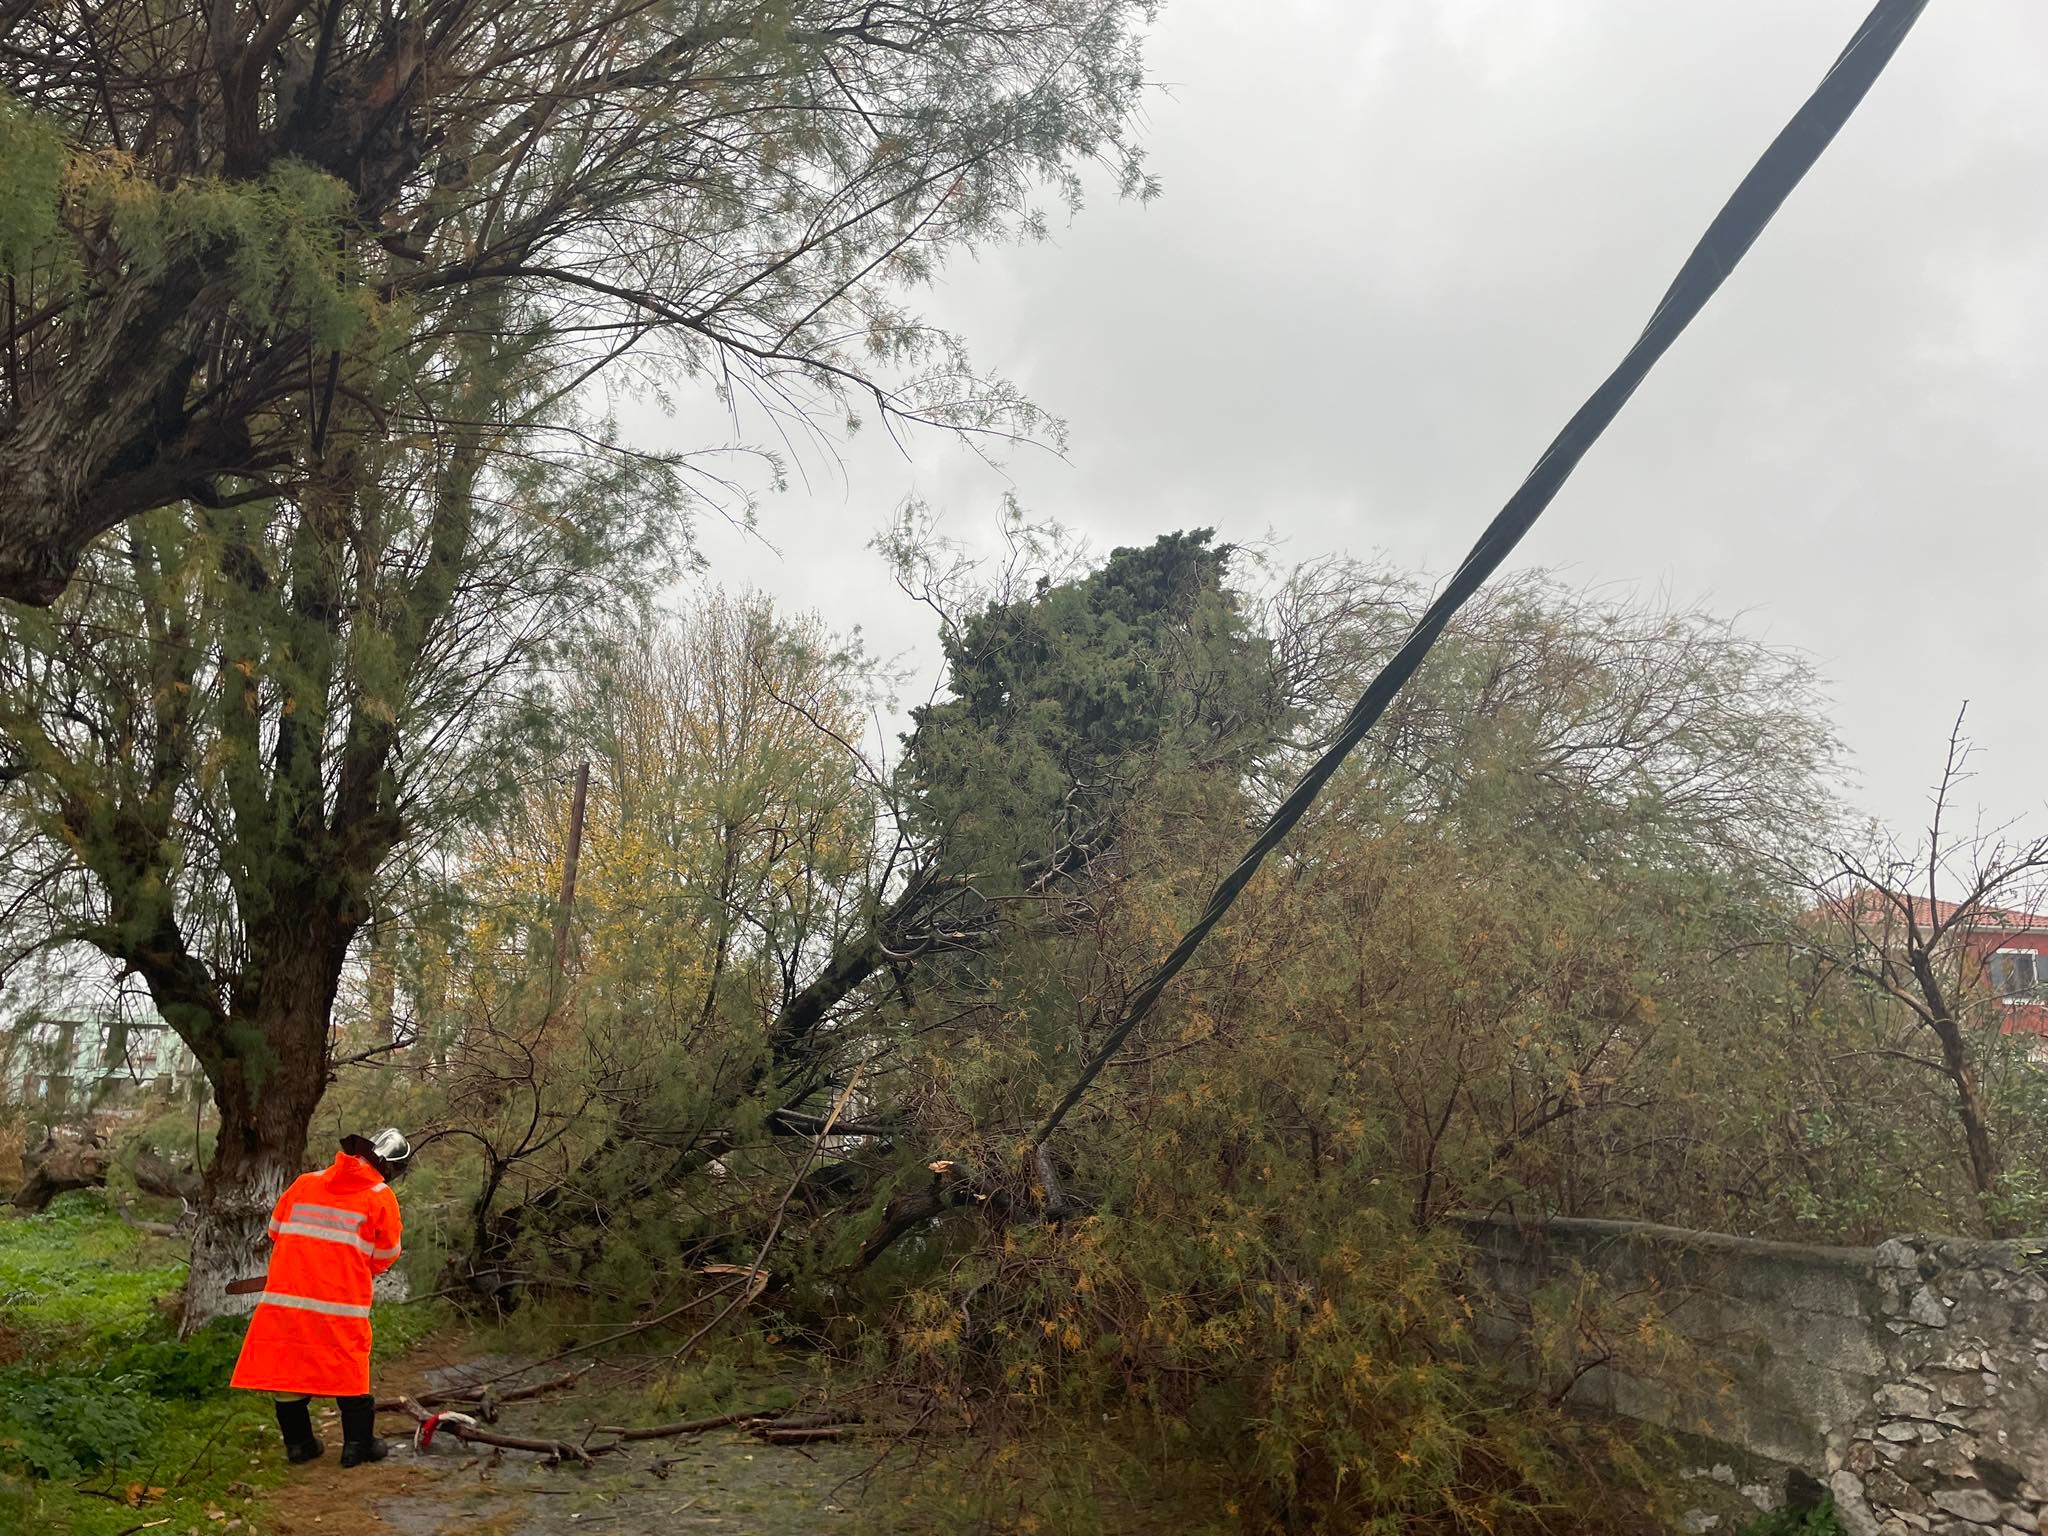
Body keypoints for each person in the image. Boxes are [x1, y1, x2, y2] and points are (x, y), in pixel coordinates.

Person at [229, 1127, 410, 1467]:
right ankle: (358, 1446)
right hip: (340, 1302)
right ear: (390, 1168)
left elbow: (275, 1231)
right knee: (349, 1365)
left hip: (288, 1296)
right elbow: (386, 1255)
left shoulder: (304, 1183)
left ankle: (299, 1445)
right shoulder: (379, 1196)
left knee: (288, 1366)